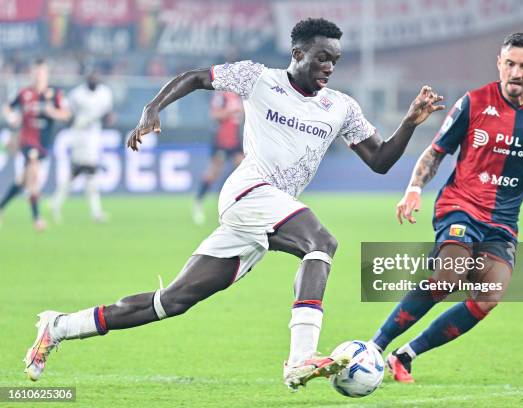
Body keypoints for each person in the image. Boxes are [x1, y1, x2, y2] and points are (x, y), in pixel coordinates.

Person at [24, 18, 443, 389]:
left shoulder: (342, 108)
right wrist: (152, 108)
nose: (329, 68)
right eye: (321, 58)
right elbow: (195, 77)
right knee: (322, 243)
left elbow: (380, 161)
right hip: (248, 191)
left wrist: (409, 122)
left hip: (267, 215)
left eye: (335, 60)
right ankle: (299, 360)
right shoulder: (257, 78)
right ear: (297, 54)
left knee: (171, 301)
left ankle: (59, 326)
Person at [370, 32, 523, 383]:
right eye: (510, 64)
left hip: (503, 221)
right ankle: (374, 347)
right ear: (499, 63)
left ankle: (405, 355)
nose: (516, 73)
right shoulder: (474, 102)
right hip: (460, 206)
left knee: (488, 299)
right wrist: (414, 188)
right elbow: (436, 151)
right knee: (449, 275)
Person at [0, 58, 70, 231]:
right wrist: (11, 117)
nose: (38, 76)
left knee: (22, 180)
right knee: (33, 172)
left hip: (44, 143)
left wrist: (51, 112)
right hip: (27, 140)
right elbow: (7, 108)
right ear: (32, 73)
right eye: (36, 72)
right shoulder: (25, 94)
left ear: (46, 74)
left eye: (41, 72)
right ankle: (37, 218)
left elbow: (66, 115)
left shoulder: (55, 94)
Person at [50, 69, 114, 223]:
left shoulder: (105, 93)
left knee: (79, 172)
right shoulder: (77, 94)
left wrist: (108, 118)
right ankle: (95, 212)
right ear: (87, 79)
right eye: (92, 77)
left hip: (94, 135)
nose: (94, 79)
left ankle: (56, 203)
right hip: (80, 135)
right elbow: (67, 113)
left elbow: (107, 114)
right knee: (88, 171)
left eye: (96, 77)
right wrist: (75, 121)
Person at [192, 90, 244, 225]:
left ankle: (230, 202)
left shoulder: (239, 94)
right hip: (222, 140)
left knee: (243, 169)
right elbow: (214, 114)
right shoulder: (221, 95)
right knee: (213, 173)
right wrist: (230, 111)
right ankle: (198, 203)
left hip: (236, 140)